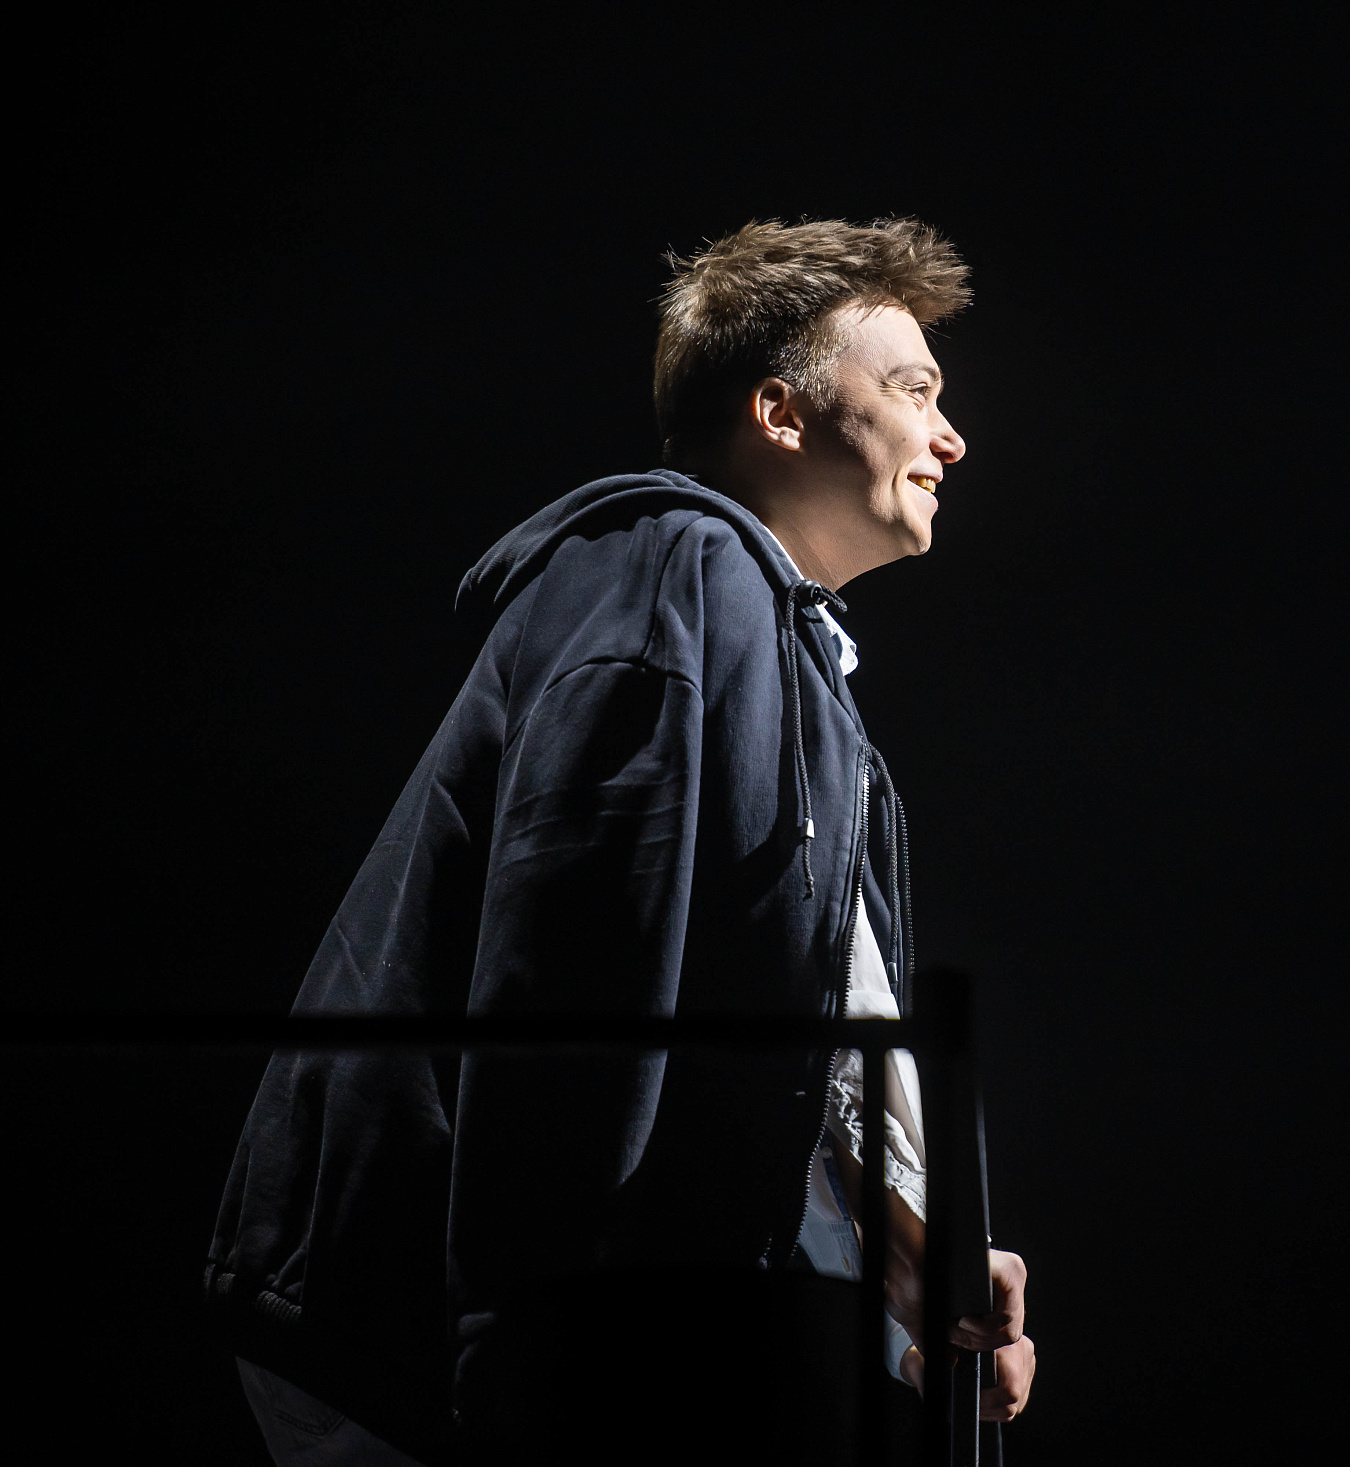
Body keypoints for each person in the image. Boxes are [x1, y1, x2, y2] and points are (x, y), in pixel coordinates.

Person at [205, 217, 1035, 1464]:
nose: (950, 436)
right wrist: (536, 1362)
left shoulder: (780, 651)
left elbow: (778, 1027)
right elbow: (573, 969)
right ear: (779, 412)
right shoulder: (675, 570)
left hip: (631, 1331)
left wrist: (905, 1248)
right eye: (914, 391)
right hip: (509, 1349)